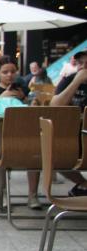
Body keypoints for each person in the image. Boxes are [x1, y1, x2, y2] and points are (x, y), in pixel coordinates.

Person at [0, 56, 41, 209]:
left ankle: (33, 194)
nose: (9, 75)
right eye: (5, 72)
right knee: (5, 150)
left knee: (36, 151)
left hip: (21, 131)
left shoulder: (21, 89)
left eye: (13, 71)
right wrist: (1, 97)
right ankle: (2, 192)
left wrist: (26, 100)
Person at [50, 49, 87, 196]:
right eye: (80, 63)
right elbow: (55, 106)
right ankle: (84, 184)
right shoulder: (69, 79)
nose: (83, 67)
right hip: (72, 136)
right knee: (54, 156)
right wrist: (76, 81)